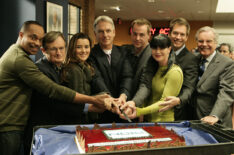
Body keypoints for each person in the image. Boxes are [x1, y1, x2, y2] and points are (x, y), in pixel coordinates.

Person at [0, 21, 109, 155]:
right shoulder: (38, 67)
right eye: (53, 49)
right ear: (44, 50)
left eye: (61, 48)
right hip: (28, 131)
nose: (58, 53)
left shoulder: (61, 68)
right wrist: (91, 102)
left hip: (47, 132)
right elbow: (54, 94)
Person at [122, 34, 183, 122]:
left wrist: (140, 111)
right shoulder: (154, 67)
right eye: (154, 48)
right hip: (148, 120)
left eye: (162, 48)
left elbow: (164, 103)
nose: (157, 51)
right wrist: (137, 107)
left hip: (163, 122)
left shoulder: (175, 72)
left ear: (169, 49)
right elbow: (146, 89)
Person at [89, 15, 133, 123]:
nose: (105, 35)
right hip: (102, 111)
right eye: (101, 31)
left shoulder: (123, 51)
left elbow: (127, 76)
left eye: (108, 31)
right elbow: (97, 79)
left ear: (114, 32)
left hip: (124, 107)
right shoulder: (90, 54)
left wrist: (123, 95)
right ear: (95, 34)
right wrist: (110, 99)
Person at [158, 18, 199, 120]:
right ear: (169, 34)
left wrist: (179, 100)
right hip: (155, 109)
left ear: (186, 37)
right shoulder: (160, 53)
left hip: (176, 113)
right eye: (175, 33)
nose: (178, 37)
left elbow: (189, 87)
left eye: (182, 34)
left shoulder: (191, 59)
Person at [193, 26, 234, 128]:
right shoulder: (194, 59)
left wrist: (214, 115)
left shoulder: (227, 63)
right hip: (195, 118)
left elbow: (226, 92)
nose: (204, 44)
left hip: (216, 121)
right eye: (201, 41)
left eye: (209, 41)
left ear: (216, 43)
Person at [62, 32, 102, 123]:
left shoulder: (85, 66)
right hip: (78, 121)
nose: (84, 51)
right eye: (79, 47)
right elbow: (78, 101)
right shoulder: (74, 69)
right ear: (72, 49)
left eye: (86, 47)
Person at [123, 18, 152, 106]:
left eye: (141, 35)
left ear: (149, 35)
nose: (137, 38)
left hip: (141, 105)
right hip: (125, 102)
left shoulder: (153, 55)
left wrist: (135, 103)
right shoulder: (125, 51)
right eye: (135, 34)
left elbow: (146, 85)